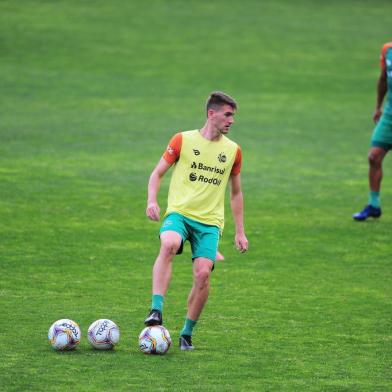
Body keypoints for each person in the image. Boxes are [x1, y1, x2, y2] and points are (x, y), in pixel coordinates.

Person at [144, 91, 248, 350]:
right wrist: (152, 201)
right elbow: (157, 173)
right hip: (179, 213)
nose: (231, 120)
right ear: (211, 114)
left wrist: (240, 232)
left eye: (233, 116)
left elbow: (236, 193)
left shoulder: (233, 151)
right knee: (168, 243)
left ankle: (186, 333)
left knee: (203, 274)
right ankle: (156, 309)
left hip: (210, 222)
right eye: (227, 114)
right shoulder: (182, 140)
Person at [353, 42, 392, 221]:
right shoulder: (387, 50)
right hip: (389, 115)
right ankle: (373, 205)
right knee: (373, 157)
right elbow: (383, 78)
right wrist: (378, 106)